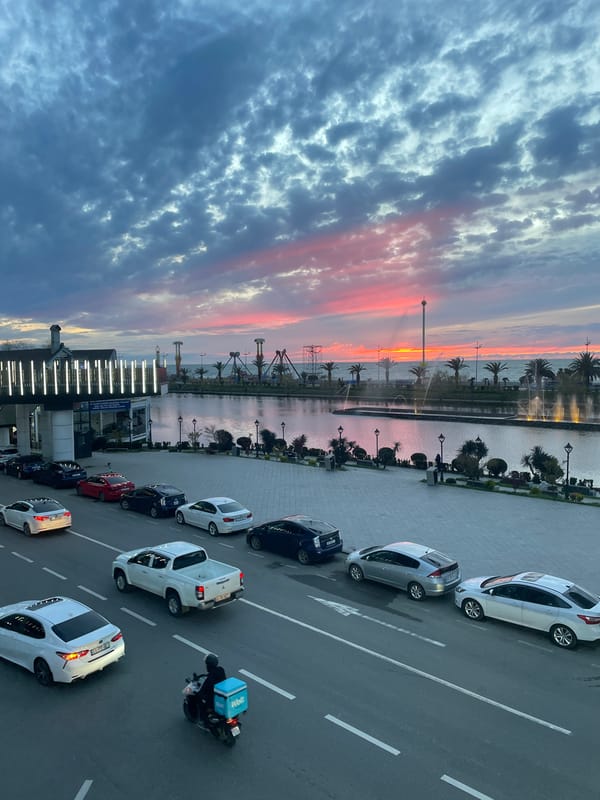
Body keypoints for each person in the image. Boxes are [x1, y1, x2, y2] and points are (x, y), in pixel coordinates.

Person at [196, 653, 226, 726]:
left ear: (208, 665)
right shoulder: (220, 670)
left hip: (212, 699)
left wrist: (199, 693)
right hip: (221, 695)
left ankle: (203, 721)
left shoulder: (210, 677)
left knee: (199, 699)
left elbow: (203, 689)